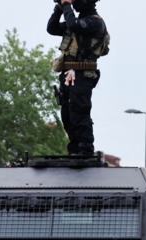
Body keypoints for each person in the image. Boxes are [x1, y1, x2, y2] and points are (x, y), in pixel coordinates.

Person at [47, 0, 109, 157]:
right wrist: (59, 8)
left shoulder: (95, 22)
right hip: (68, 74)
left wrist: (67, 5)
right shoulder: (73, 21)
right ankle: (74, 148)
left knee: (79, 110)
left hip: (83, 75)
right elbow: (52, 28)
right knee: (67, 113)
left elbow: (74, 24)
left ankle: (85, 148)